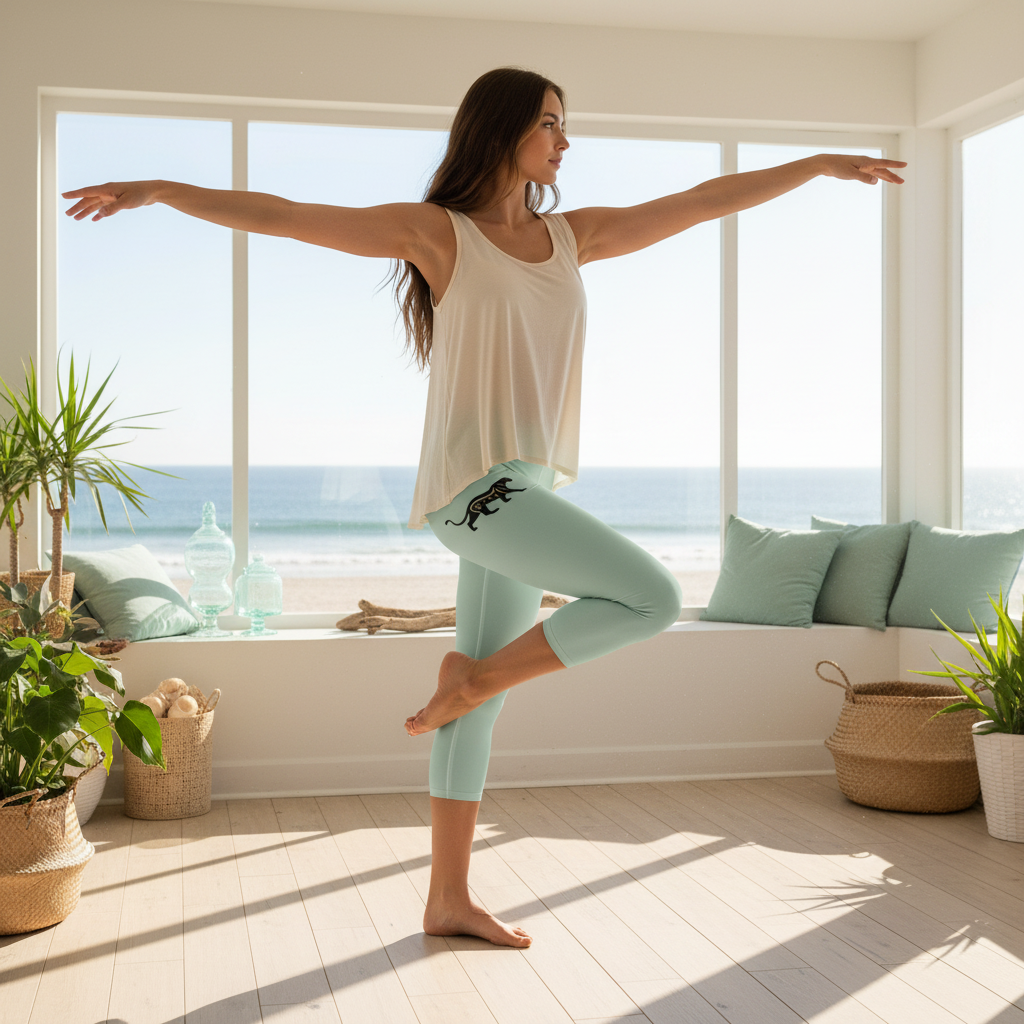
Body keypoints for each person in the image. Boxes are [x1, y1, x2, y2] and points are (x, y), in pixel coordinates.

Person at [62, 66, 906, 949]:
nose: (565, 142)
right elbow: (284, 213)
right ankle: (470, 680)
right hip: (478, 492)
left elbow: (702, 199)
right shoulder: (441, 234)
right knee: (648, 597)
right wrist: (158, 190)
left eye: (565, 125)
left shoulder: (575, 238)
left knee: (478, 706)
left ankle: (448, 897)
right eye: (550, 123)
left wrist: (811, 165)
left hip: (525, 490)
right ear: (501, 131)